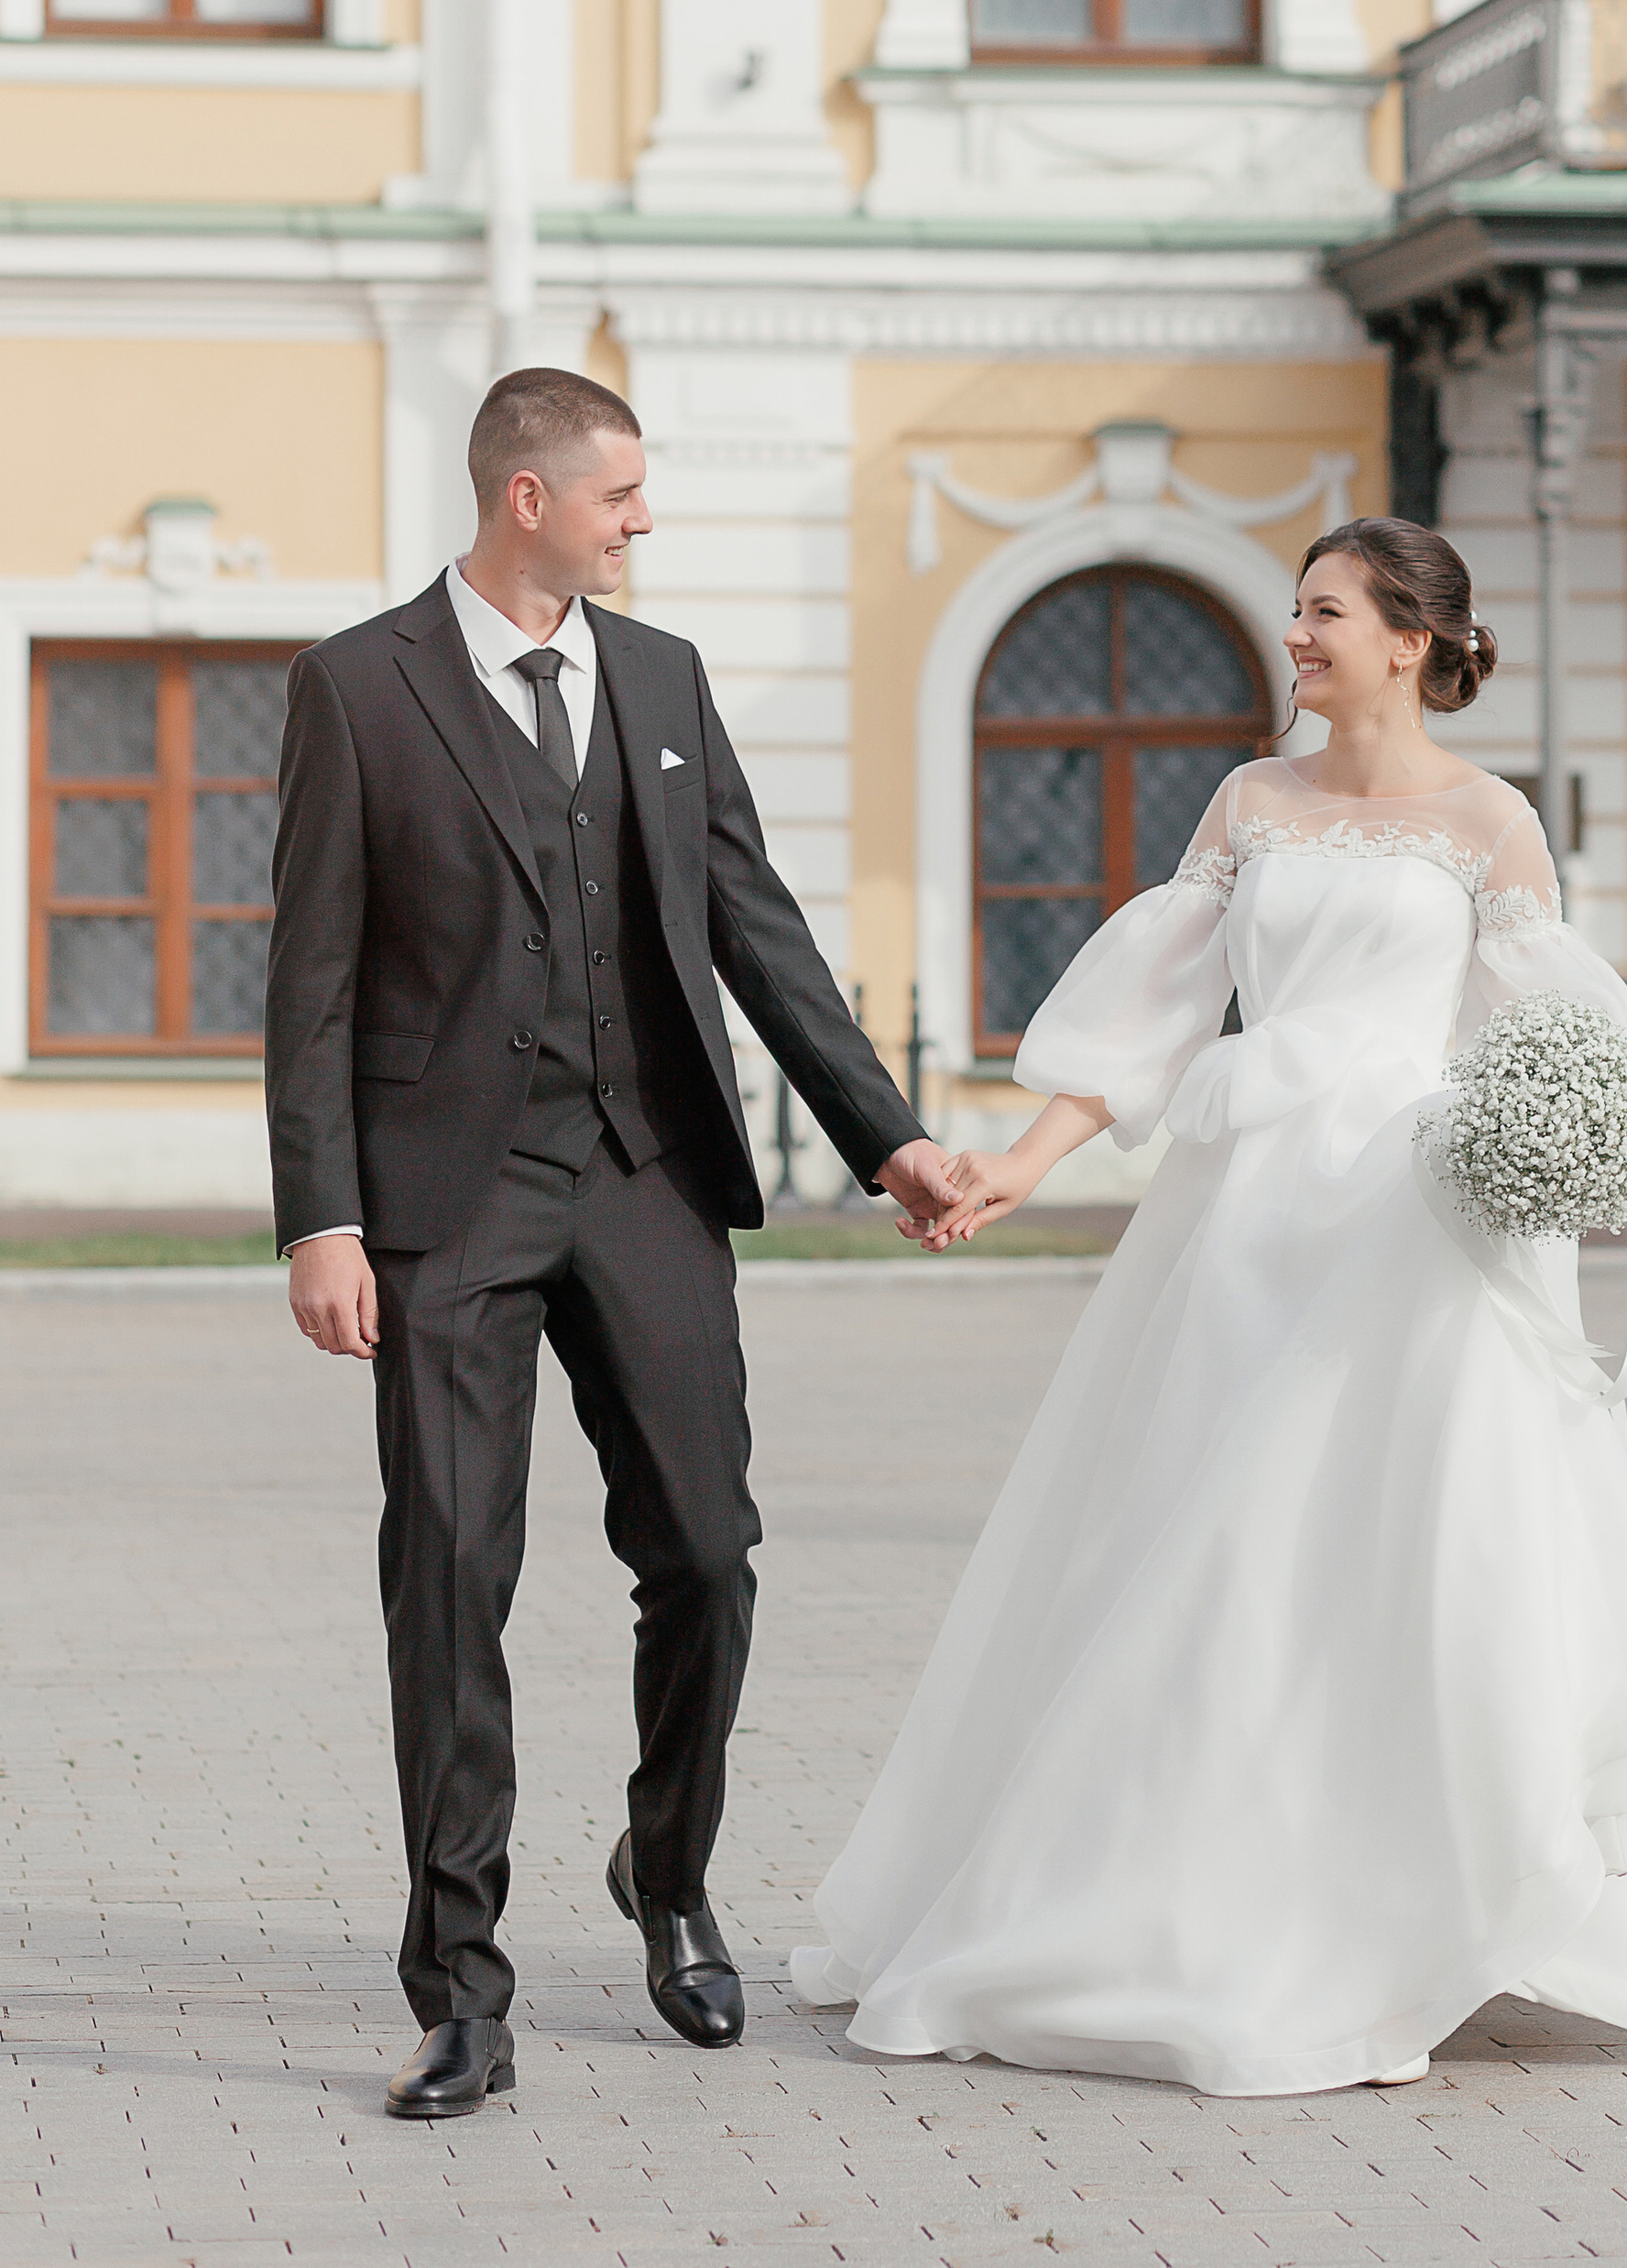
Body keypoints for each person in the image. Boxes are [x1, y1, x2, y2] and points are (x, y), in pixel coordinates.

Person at [791, 517, 1627, 2094]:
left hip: (1406, 1227)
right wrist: (1021, 1161)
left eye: (1325, 611)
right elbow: (1152, 1008)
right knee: (1205, 1549)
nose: (1297, 635)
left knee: (1400, 1549)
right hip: (1244, 1224)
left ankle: (1417, 1905)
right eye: (1296, 610)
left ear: (1410, 640)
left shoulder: (1491, 824)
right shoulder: (1250, 804)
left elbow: (1553, 1041)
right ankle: (1184, 1904)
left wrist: (1553, 1165)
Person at [266, 367, 957, 2120]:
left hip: (646, 1177)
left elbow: (755, 926)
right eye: (621, 494)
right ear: (530, 499)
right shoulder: (358, 685)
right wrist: (323, 1219)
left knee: (709, 1553)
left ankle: (669, 1869)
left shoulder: (662, 677)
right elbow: (312, 977)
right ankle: (461, 1989)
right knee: (450, 1576)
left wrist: (887, 1138)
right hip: (443, 1201)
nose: (643, 520)